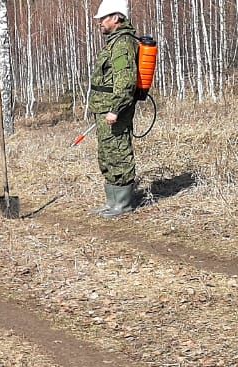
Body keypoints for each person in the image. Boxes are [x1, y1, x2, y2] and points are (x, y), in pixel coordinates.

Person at [89, 0, 140, 219]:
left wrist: (115, 109)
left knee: (118, 153)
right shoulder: (113, 42)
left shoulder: (122, 44)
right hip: (104, 109)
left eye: (104, 18)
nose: (100, 22)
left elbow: (126, 80)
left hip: (113, 110)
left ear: (117, 18)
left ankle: (123, 205)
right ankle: (112, 203)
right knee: (107, 154)